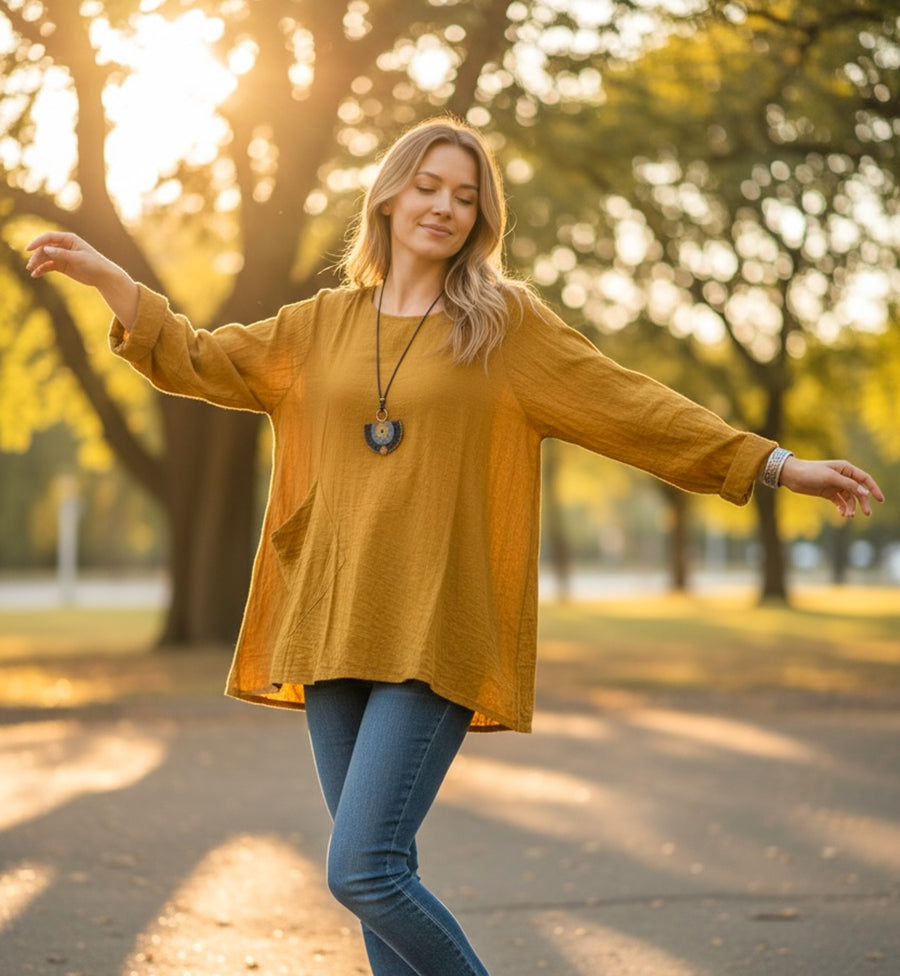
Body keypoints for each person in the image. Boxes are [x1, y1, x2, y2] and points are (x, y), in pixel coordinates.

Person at [26, 117, 882, 976]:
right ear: (391, 197)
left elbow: (632, 408)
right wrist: (109, 280)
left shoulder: (503, 326)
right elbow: (199, 360)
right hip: (330, 620)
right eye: (429, 187)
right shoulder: (319, 324)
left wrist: (776, 466)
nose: (445, 207)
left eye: (466, 198)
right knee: (383, 874)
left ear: (482, 220)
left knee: (363, 871)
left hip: (437, 624)